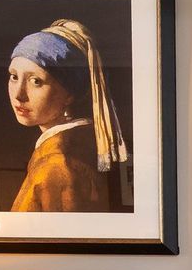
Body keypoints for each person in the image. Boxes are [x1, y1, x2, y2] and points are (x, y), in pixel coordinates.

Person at [7, 18, 129, 214]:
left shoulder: (57, 163)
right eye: (14, 76)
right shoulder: (77, 145)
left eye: (36, 81)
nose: (19, 94)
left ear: (69, 94)